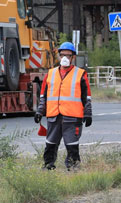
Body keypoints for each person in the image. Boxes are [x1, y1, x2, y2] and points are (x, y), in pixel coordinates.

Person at [35, 41, 92, 170]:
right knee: (50, 143)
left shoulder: (81, 74)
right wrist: (39, 111)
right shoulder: (50, 74)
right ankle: (48, 165)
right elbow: (43, 96)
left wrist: (88, 114)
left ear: (73, 57)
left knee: (72, 143)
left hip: (72, 117)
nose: (65, 58)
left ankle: (73, 167)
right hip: (54, 116)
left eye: (68, 55)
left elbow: (87, 97)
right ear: (59, 56)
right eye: (62, 55)